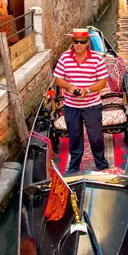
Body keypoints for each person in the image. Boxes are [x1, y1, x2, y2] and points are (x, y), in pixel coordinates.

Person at [53, 28, 109, 174]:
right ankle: (74, 167)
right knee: (74, 137)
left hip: (92, 105)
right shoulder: (64, 57)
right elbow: (58, 79)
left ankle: (101, 165)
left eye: (82, 42)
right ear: (72, 42)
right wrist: (69, 86)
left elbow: (102, 82)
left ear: (87, 42)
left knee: (96, 137)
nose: (78, 44)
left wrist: (87, 90)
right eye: (76, 41)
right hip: (71, 106)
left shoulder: (97, 58)